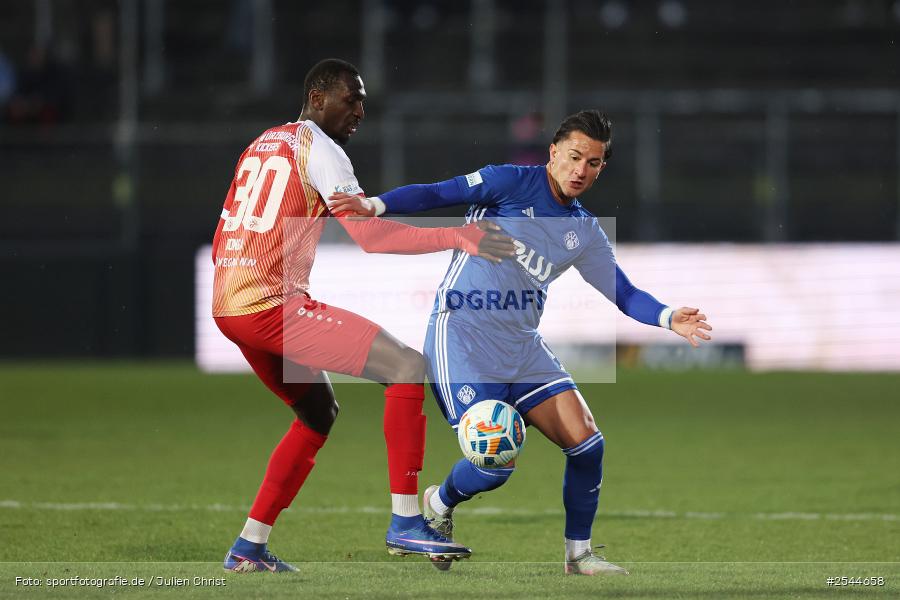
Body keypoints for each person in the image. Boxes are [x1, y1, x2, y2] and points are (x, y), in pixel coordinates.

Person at [327, 110, 713, 576]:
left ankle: (579, 555)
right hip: (462, 335)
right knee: (495, 462)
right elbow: (436, 192)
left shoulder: (584, 231)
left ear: (601, 168)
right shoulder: (506, 182)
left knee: (588, 444)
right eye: (573, 157)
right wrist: (376, 206)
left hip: (522, 346)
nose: (580, 171)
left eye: (592, 163)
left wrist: (670, 317)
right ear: (553, 152)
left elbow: (625, 294)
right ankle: (439, 501)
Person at [212, 58, 515, 573]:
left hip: (227, 303)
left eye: (363, 101)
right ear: (316, 97)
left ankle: (248, 548)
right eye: (350, 99)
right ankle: (406, 521)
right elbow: (369, 237)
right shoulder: (320, 149)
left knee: (317, 414)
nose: (360, 111)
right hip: (269, 304)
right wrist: (458, 235)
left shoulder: (264, 141)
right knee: (406, 367)